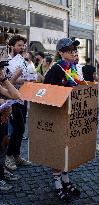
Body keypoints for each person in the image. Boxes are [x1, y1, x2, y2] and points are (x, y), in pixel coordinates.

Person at [44, 38, 80, 202]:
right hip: (58, 116)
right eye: (69, 50)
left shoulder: (71, 67)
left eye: (74, 49)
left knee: (68, 149)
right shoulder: (56, 69)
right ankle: (57, 182)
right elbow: (47, 92)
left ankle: (65, 179)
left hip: (70, 114)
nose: (74, 52)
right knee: (58, 150)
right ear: (60, 52)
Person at [5, 35, 31, 171]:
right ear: (12, 46)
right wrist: (18, 76)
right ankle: (8, 157)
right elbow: (6, 83)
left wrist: (29, 78)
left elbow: (22, 78)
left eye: (23, 45)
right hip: (11, 98)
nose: (22, 48)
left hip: (23, 96)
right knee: (18, 127)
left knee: (21, 128)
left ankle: (16, 155)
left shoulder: (22, 60)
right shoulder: (6, 61)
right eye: (19, 45)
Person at [0, 67, 20, 191]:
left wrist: (4, 79)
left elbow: (16, 95)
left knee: (3, 146)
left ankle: (1, 171)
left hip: (2, 120)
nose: (1, 71)